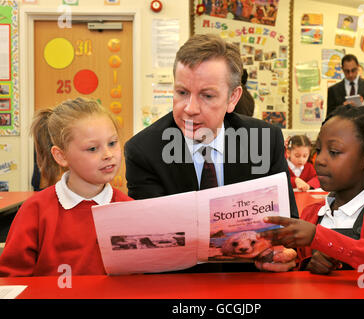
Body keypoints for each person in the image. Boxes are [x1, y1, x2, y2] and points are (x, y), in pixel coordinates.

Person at [124, 34, 298, 272]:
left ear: (233, 98)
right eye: (182, 92)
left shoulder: (264, 141)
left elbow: (287, 227)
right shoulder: (144, 151)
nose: (190, 109)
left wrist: (282, 254)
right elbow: (152, 245)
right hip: (176, 286)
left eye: (207, 96)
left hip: (250, 283)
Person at [257, 106, 364, 289]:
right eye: (318, 150)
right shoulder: (312, 213)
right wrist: (291, 262)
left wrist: (322, 238)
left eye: (334, 152)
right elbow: (302, 277)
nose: (319, 160)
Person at [0, 97, 133, 277]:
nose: (108, 154)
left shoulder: (129, 209)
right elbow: (9, 281)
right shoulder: (35, 211)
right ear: (60, 156)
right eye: (92, 149)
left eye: (112, 143)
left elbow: (137, 280)